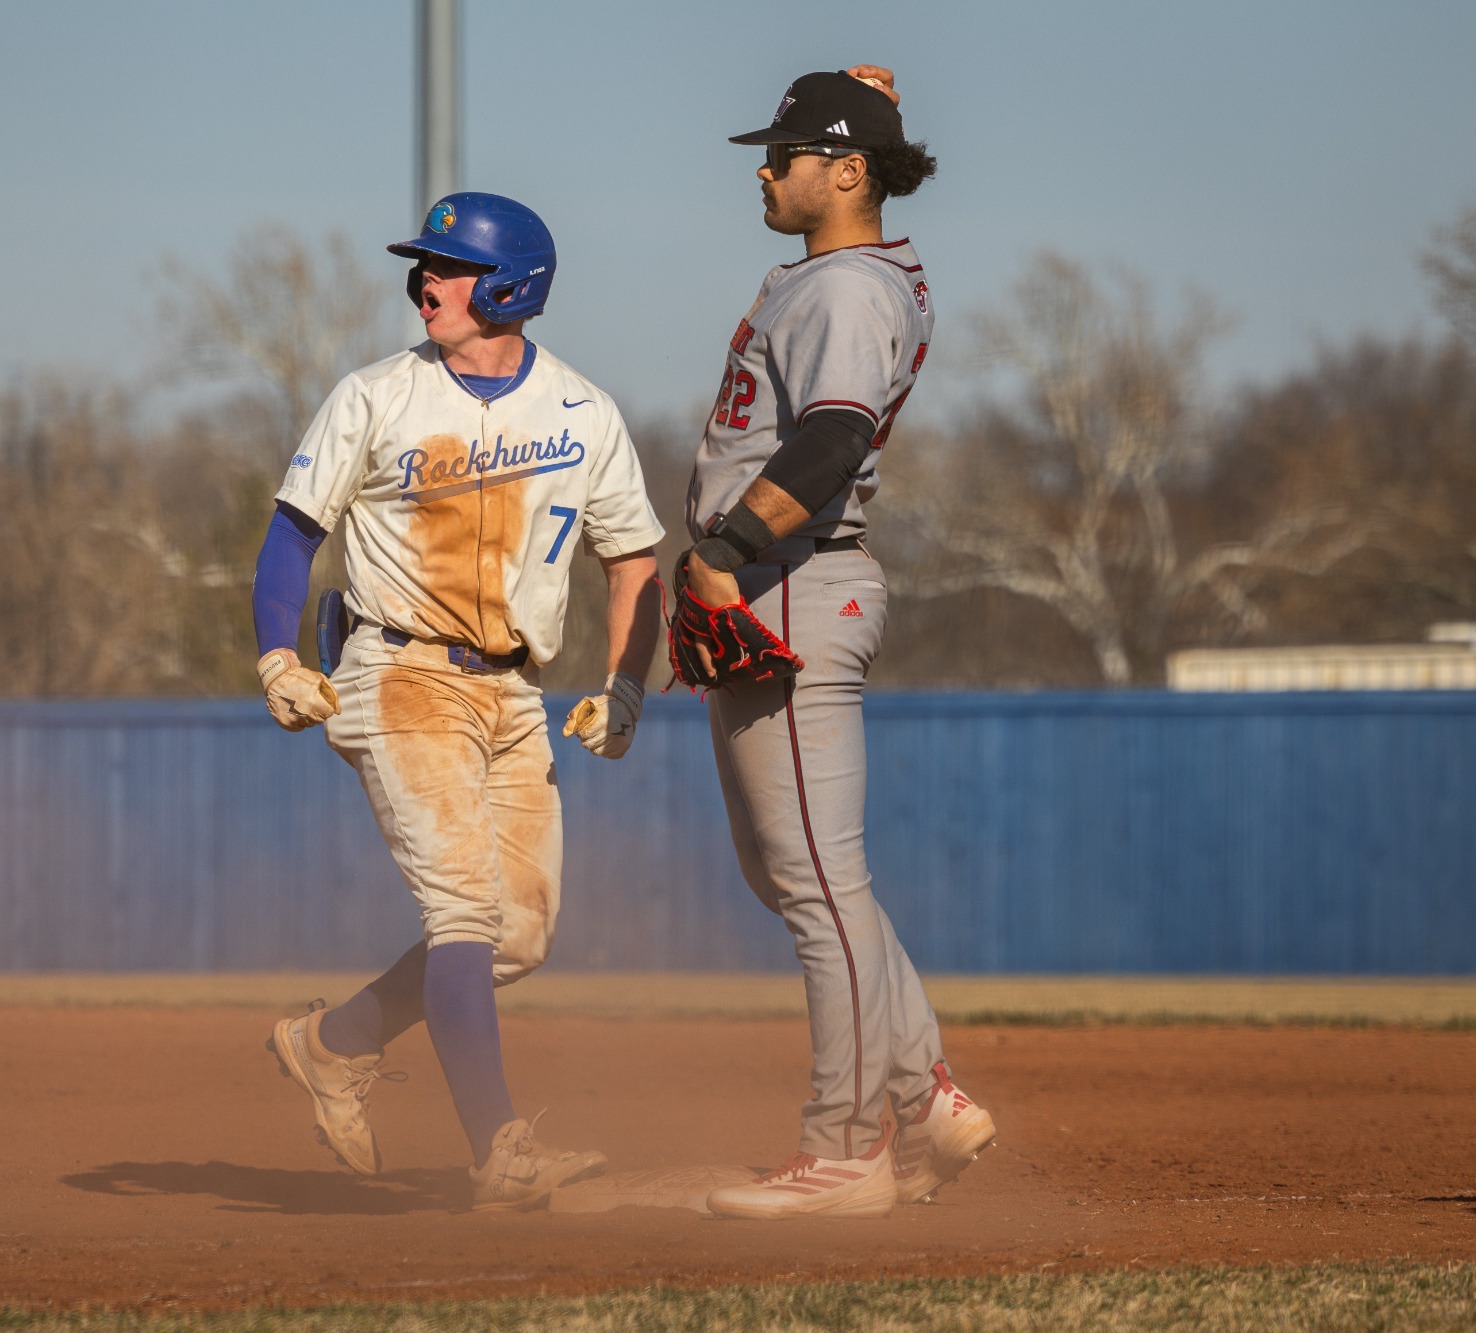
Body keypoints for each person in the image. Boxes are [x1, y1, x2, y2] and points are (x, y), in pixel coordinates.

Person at [250, 192, 666, 1210]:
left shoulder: (580, 412)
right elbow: (293, 532)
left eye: (445, 264)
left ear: (511, 287)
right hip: (396, 673)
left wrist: (623, 687)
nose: (422, 280)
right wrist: (277, 654)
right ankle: (502, 1154)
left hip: (513, 691)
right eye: (422, 261)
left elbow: (636, 560)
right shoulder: (376, 396)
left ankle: (330, 1044)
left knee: (516, 935)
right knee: (463, 909)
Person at [669, 69, 999, 1220]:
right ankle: (925, 1095)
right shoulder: (836, 274)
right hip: (782, 580)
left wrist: (722, 549)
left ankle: (848, 1147)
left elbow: (829, 442)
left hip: (793, 578)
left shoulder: (848, 287)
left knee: (813, 878)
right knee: (792, 872)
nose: (765, 167)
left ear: (845, 170)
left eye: (788, 151)